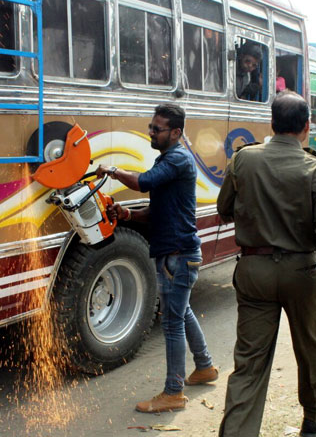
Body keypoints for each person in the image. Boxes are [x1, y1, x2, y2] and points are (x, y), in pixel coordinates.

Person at [217, 91, 316, 437]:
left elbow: (223, 207)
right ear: (307, 127)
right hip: (301, 272)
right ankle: (314, 416)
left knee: (249, 362)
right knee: (309, 348)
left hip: (254, 269)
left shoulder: (243, 160)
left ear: (272, 124)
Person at [96, 104, 217, 413]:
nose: (151, 132)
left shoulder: (177, 158)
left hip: (177, 255)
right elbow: (158, 211)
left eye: (156, 129)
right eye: (150, 126)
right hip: (177, 253)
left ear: (175, 132)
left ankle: (173, 393)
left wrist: (111, 170)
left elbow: (143, 182)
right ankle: (204, 367)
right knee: (182, 312)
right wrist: (127, 214)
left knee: (172, 323)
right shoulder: (170, 160)